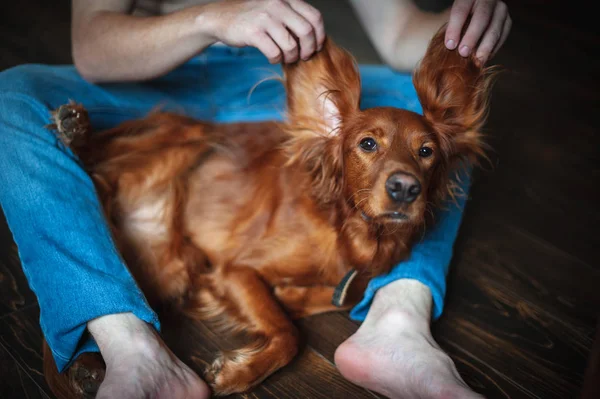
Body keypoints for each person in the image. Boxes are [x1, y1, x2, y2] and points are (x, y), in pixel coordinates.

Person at [0, 0, 511, 398]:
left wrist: (463, 31)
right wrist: (214, 17)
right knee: (13, 95)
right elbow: (92, 47)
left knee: (435, 126)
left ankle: (399, 319)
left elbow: (401, 35)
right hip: (157, 76)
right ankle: (123, 339)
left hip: (270, 81)